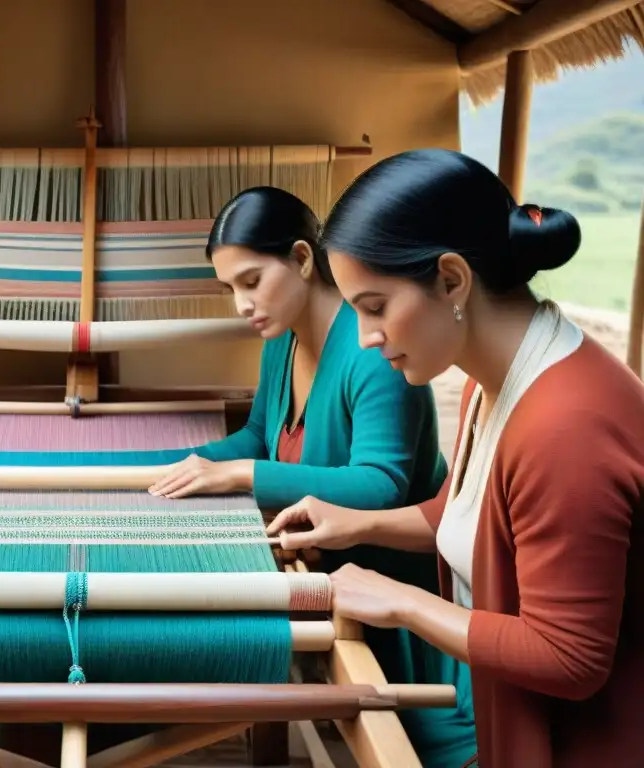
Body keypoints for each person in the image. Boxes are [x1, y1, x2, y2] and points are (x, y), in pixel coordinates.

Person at [267, 148, 643, 767]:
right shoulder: (493, 379)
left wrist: (403, 602)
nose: (364, 338)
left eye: (375, 307)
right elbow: (476, 514)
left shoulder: (566, 427)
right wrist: (356, 523)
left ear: (451, 279)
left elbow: (569, 657)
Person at [148, 186, 477, 767]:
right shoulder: (284, 340)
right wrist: (181, 465)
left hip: (401, 596)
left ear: (302, 258)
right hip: (333, 575)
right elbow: (257, 437)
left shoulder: (375, 350)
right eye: (230, 290)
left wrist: (241, 475)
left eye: (251, 282)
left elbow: (381, 483)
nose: (241, 304)